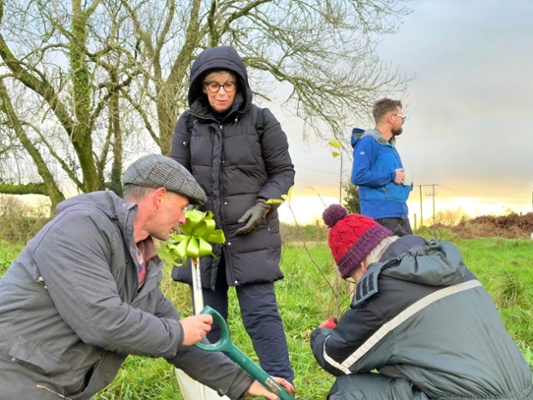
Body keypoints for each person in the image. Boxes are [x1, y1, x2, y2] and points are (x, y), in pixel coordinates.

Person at [0, 154, 294, 400]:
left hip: (57, 385)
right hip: (14, 376)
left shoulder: (143, 261)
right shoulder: (79, 230)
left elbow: (182, 345)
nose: (183, 219)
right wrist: (178, 332)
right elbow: (102, 322)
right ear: (159, 197)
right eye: (181, 208)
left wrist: (247, 382)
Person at [310, 204, 533, 400]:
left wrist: (322, 334)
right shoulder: (451, 267)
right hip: (525, 390)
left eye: (352, 278)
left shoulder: (383, 291)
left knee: (350, 390)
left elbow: (336, 359)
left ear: (360, 266)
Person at [171, 45, 295, 383]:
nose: (221, 91)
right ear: (201, 87)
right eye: (213, 84)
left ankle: (281, 385)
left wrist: (263, 204)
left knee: (261, 315)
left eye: (228, 84)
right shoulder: (188, 125)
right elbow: (176, 176)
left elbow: (283, 172)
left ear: (239, 85)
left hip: (251, 235)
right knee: (208, 320)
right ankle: (216, 387)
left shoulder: (261, 121)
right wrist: (188, 211)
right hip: (204, 238)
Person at [351, 98, 413, 236]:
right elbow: (358, 176)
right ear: (391, 118)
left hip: (399, 213)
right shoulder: (368, 142)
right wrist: (391, 175)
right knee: (391, 257)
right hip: (381, 216)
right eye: (401, 117)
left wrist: (406, 183)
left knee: (413, 252)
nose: (402, 121)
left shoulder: (390, 146)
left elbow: (394, 178)